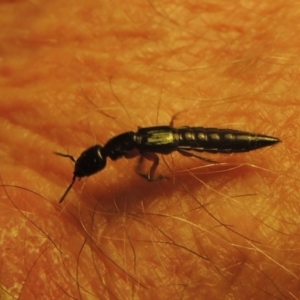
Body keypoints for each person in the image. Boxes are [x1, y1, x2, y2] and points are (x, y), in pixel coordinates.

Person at [1, 1, 296, 299]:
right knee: (195, 146)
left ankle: (209, 156)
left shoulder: (135, 146)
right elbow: (146, 157)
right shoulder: (135, 138)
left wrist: (151, 174)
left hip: (185, 140)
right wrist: (149, 172)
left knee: (197, 149)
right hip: (184, 136)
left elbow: (146, 160)